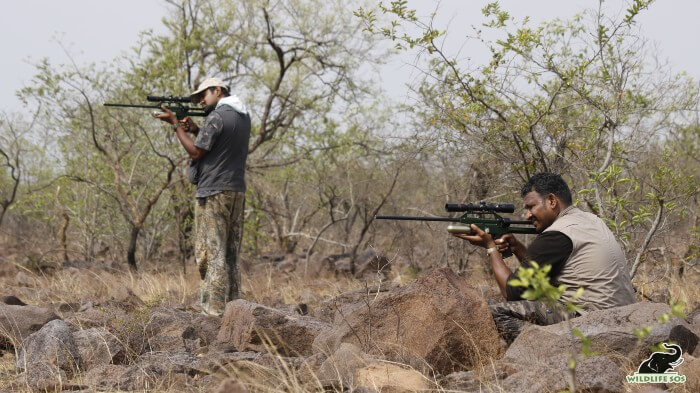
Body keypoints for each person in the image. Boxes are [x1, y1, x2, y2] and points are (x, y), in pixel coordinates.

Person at [454, 172, 636, 342]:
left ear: (551, 201)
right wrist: (517, 248)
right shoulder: (591, 220)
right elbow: (542, 276)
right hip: (624, 315)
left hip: (592, 321)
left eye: (531, 207)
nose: (527, 215)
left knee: (495, 313)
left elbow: (512, 292)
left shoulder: (557, 234)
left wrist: (491, 247)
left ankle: (543, 351)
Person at [154, 77, 251, 316]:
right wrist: (197, 130)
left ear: (217, 91)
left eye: (203, 96)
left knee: (212, 253)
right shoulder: (242, 116)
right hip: (236, 190)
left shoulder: (216, 117)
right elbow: (221, 146)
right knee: (230, 254)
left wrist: (176, 124)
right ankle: (235, 311)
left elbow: (197, 152)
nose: (200, 101)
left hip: (214, 192)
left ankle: (214, 313)